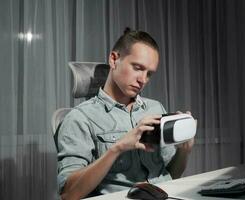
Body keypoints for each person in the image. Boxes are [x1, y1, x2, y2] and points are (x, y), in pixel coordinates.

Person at [57, 28, 194, 199]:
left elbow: (172, 175)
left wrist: (184, 151)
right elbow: (69, 194)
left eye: (149, 74)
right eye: (137, 68)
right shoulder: (79, 118)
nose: (143, 80)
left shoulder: (156, 108)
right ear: (114, 59)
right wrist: (118, 148)